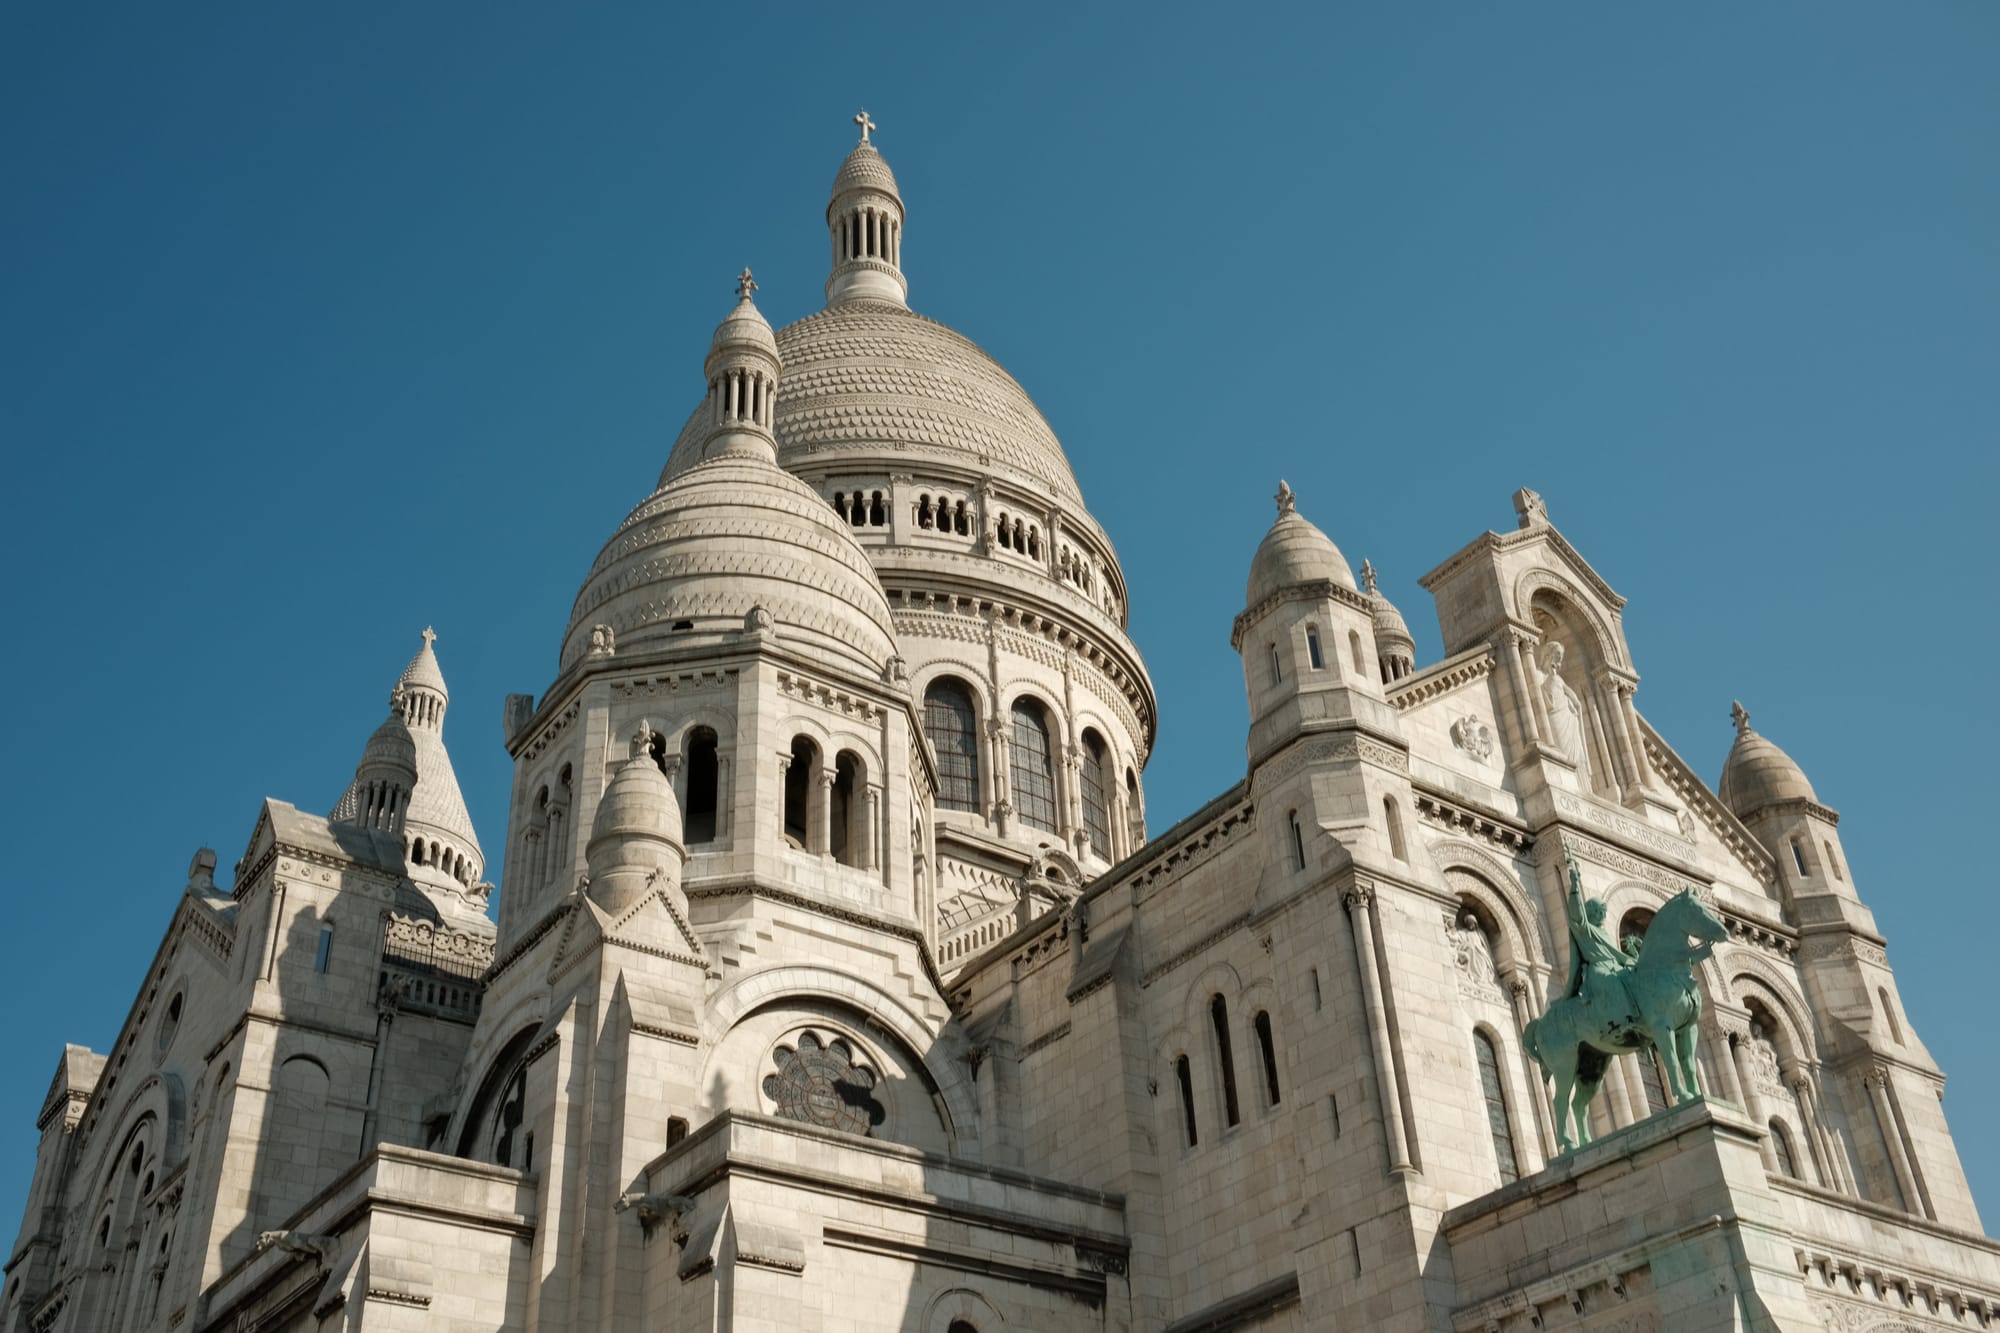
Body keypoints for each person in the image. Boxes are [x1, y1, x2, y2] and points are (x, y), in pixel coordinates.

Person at [1562, 847, 1636, 1021]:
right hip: (1598, 970)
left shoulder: (1603, 932)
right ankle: (1626, 1021)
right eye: (1598, 913)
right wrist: (1574, 888)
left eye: (1603, 913)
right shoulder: (1584, 928)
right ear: (1590, 912)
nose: (1602, 917)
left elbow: (1617, 955)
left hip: (1615, 966)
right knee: (1613, 982)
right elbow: (1576, 913)